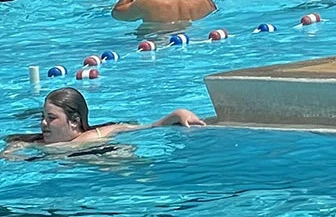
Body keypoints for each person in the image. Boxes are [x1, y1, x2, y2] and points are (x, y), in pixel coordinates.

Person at [6, 86, 203, 154]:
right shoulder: (31, 145)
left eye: (51, 118)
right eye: (43, 117)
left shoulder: (101, 133)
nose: (43, 123)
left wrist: (179, 114)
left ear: (74, 121)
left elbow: (150, 127)